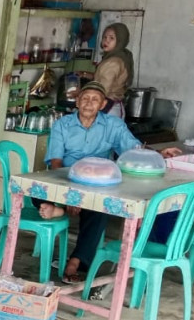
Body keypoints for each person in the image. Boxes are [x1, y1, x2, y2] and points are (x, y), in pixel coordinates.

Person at [39, 82, 181, 283]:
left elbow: (133, 149)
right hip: (66, 177)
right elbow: (55, 162)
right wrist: (68, 194)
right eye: (85, 98)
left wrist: (158, 154)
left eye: (95, 100)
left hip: (97, 182)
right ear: (77, 101)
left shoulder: (113, 125)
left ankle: (76, 261)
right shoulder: (63, 124)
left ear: (103, 104)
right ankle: (59, 206)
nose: (89, 103)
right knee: (36, 192)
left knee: (98, 211)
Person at [92, 23, 134, 118]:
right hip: (114, 107)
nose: (106, 41)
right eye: (105, 37)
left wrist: (81, 95)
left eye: (111, 38)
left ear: (120, 41)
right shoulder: (122, 56)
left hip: (107, 109)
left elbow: (103, 90)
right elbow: (106, 77)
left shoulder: (113, 62)